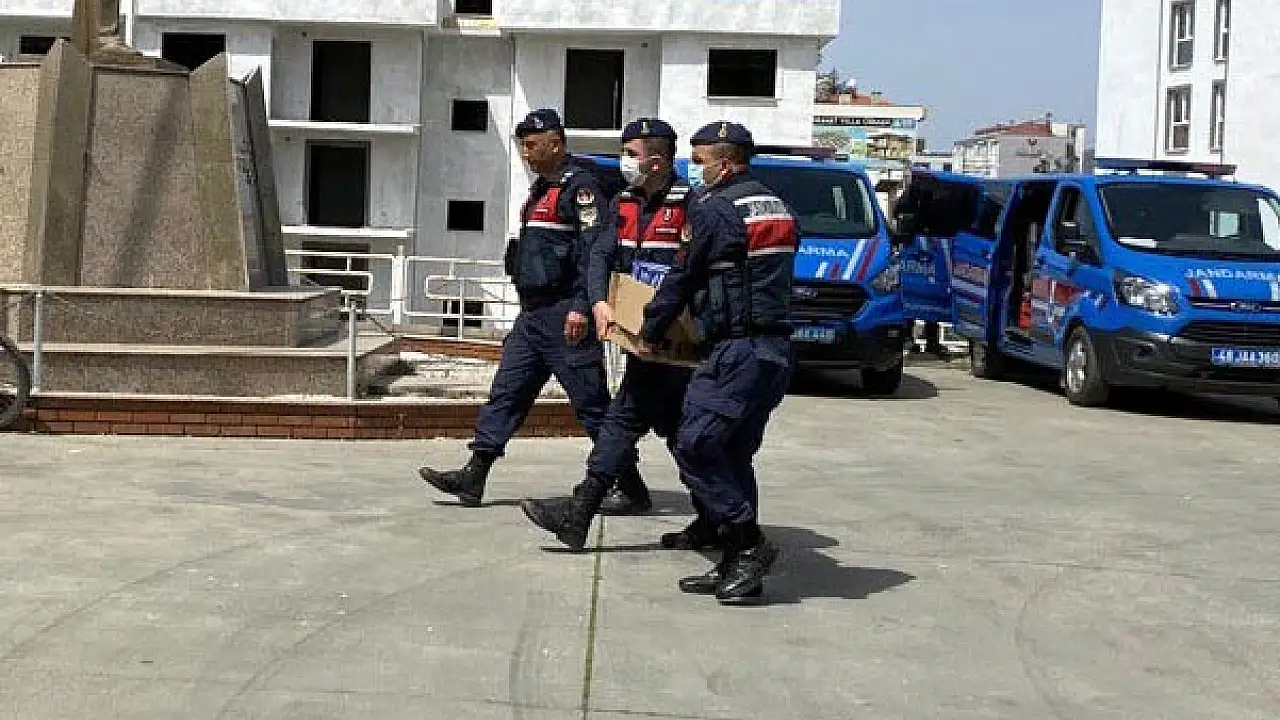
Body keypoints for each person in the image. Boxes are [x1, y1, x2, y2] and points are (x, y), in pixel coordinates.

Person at [529, 120, 800, 604]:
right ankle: (732, 557)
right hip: (764, 348)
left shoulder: (710, 207)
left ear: (725, 164)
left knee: (696, 444)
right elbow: (605, 253)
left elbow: (683, 276)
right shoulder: (774, 204)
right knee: (720, 448)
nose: (694, 170)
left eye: (700, 162)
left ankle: (747, 545)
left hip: (723, 347)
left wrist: (649, 332)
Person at [418, 108, 644, 507]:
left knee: (591, 404)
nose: (526, 153)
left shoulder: (581, 189)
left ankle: (627, 484)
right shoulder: (542, 189)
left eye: (532, 145)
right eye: (523, 145)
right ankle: (474, 474)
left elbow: (593, 254)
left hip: (565, 313)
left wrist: (582, 306)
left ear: (555, 144)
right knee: (507, 393)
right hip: (533, 316)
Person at [522, 117, 724, 542]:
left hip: (675, 341)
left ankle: (580, 514)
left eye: (631, 154)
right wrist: (598, 301)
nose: (624, 162)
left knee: (629, 422)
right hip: (640, 337)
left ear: (657, 162)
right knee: (674, 431)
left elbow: (692, 274)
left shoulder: (691, 205)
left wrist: (667, 326)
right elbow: (599, 254)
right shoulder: (625, 202)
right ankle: (715, 517)